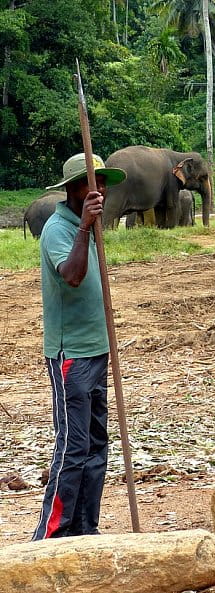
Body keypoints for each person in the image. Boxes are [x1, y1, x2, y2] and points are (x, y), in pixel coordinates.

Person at [31, 153, 126, 540]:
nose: (101, 190)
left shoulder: (92, 225)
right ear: (73, 190)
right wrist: (85, 227)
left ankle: (85, 530)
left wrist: (91, 226)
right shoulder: (59, 228)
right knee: (73, 447)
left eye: (103, 183)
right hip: (71, 355)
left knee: (97, 446)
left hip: (97, 350)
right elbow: (71, 276)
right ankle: (50, 536)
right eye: (92, 183)